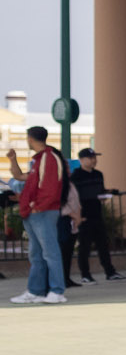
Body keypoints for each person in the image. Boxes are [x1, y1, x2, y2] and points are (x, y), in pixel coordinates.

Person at [11, 126, 69, 304]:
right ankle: (35, 291)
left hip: (43, 212)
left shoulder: (49, 158)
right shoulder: (39, 160)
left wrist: (38, 206)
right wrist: (13, 160)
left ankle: (57, 291)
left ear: (30, 138)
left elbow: (51, 187)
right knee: (36, 254)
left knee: (50, 252)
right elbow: (20, 176)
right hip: (34, 212)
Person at [69, 148, 122, 283]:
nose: (94, 160)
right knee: (84, 246)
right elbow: (75, 196)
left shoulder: (98, 174)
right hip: (84, 215)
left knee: (102, 244)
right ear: (81, 160)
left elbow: (100, 190)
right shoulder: (76, 176)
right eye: (90, 158)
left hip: (97, 213)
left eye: (95, 157)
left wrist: (108, 193)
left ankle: (110, 272)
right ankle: (85, 274)